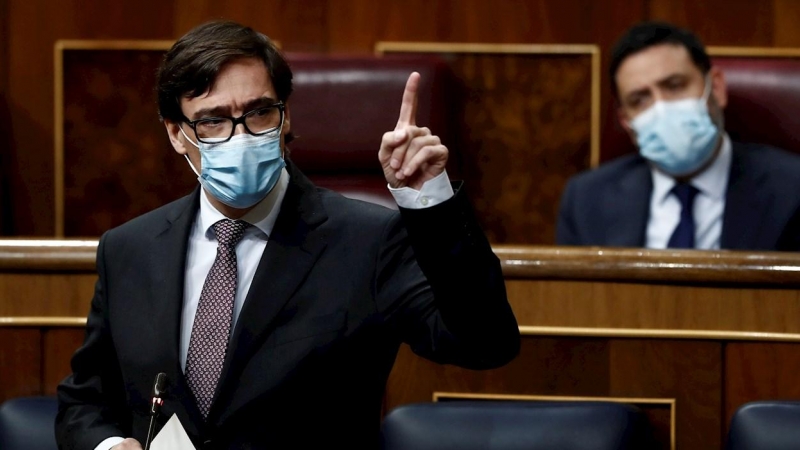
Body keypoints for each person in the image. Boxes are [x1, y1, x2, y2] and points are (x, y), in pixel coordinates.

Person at [55, 21, 520, 450]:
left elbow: (485, 343)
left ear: (287, 116)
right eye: (213, 120)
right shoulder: (129, 250)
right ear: (177, 134)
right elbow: (85, 403)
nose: (241, 136)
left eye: (259, 112)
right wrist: (108, 447)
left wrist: (430, 202)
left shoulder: (368, 241)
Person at [556, 21, 800, 250]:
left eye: (674, 86)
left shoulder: (792, 189)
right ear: (627, 122)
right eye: (639, 100)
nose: (660, 108)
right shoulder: (586, 200)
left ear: (715, 88)